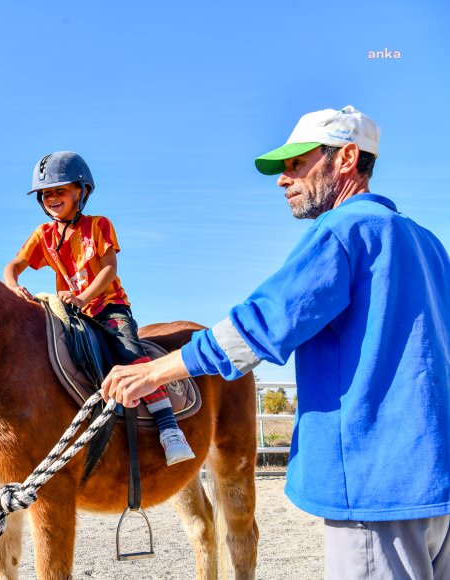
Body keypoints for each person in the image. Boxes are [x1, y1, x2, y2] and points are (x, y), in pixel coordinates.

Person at [102, 106, 450, 578]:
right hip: (436, 481)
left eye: (296, 163)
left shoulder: (343, 231)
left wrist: (153, 371)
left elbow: (263, 324)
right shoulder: (426, 242)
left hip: (376, 487)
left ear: (346, 157)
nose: (283, 180)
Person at [4, 151, 195, 465]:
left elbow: (109, 269)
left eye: (60, 190)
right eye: (46, 193)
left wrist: (82, 298)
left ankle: (169, 429)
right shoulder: (43, 235)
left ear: (81, 191)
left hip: (107, 308)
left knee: (131, 356)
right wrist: (13, 285)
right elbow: (14, 264)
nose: (52, 198)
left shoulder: (99, 225)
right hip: (69, 312)